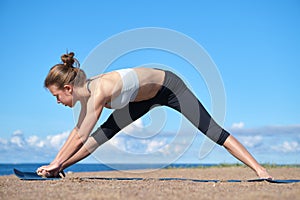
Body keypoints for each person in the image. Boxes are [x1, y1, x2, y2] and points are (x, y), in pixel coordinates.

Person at [37, 52, 272, 179]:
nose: (58, 102)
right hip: (140, 99)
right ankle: (60, 169)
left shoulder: (98, 91)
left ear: (68, 88)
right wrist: (56, 163)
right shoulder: (88, 93)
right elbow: (78, 133)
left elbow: (80, 135)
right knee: (103, 134)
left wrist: (55, 161)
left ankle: (260, 170)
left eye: (57, 96)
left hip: (170, 88)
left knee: (211, 130)